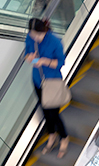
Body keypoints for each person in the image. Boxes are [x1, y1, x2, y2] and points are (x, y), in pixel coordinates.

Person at [25, 18, 69, 158]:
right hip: (38, 81)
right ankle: (52, 134)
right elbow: (26, 53)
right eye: (33, 35)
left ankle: (64, 137)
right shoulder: (30, 37)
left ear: (44, 31)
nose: (35, 38)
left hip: (52, 83)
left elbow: (60, 62)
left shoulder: (55, 42)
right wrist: (30, 57)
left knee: (54, 114)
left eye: (38, 35)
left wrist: (45, 61)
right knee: (45, 111)